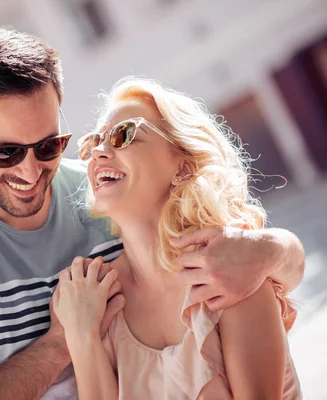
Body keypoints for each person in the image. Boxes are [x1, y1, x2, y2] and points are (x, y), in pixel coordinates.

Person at [0, 28, 306, 400]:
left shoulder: (106, 190)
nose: (30, 172)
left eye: (49, 145)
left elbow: (238, 253)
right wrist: (63, 341)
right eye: (5, 152)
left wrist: (270, 249)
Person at [53, 77, 302, 399]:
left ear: (182, 169)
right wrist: (80, 334)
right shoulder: (96, 297)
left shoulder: (229, 271)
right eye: (94, 142)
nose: (99, 152)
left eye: (124, 135)